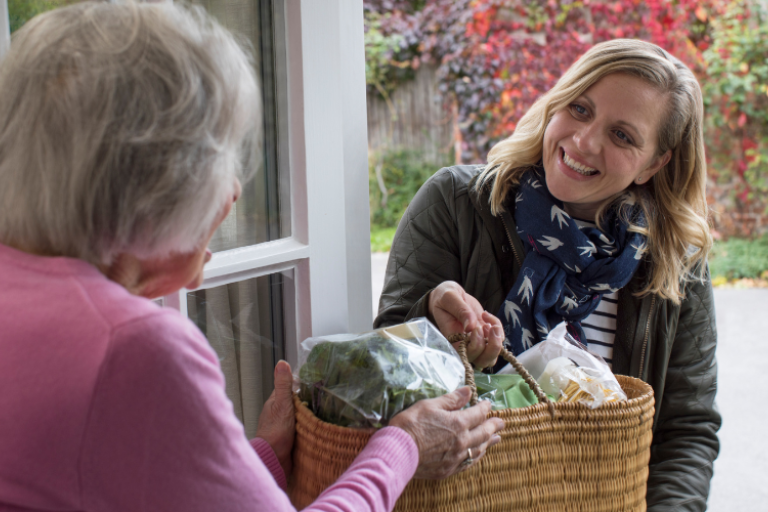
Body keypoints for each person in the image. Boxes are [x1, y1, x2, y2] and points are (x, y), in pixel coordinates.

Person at [0, 2, 505, 511]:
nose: (235, 190)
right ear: (160, 180)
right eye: (224, 154)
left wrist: (260, 459)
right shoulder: (136, 348)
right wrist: (405, 446)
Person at [376, 39, 720, 511]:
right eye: (579, 109)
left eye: (622, 136)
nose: (584, 140)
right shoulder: (455, 204)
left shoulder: (675, 262)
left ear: (655, 163)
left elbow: (686, 430)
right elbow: (382, 371)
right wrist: (431, 320)